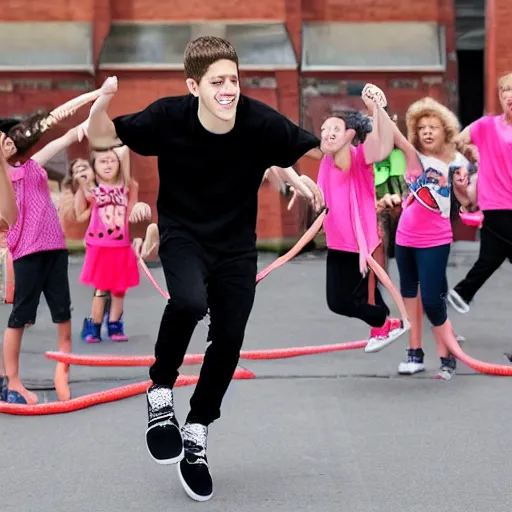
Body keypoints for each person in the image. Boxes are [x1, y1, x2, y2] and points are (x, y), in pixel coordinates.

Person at [85, 36, 323, 502]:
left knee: (229, 338)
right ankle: (159, 390)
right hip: (184, 235)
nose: (228, 89)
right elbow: (99, 136)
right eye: (217, 82)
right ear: (195, 86)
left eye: (233, 79)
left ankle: (197, 430)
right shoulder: (168, 117)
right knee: (190, 302)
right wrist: (103, 101)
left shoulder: (258, 121)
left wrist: (324, 172)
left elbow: (309, 149)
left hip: (236, 247)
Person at [0, 118, 88, 404]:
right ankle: (12, 381)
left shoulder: (33, 166)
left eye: (12, 138)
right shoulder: (3, 179)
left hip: (55, 250)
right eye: (4, 140)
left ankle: (62, 372)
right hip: (26, 253)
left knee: (63, 312)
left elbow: (60, 141)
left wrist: (91, 114)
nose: (9, 143)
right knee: (20, 317)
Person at [317, 88, 408, 354]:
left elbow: (382, 144)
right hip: (337, 244)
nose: (327, 133)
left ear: (350, 135)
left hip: (358, 246)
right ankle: (384, 324)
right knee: (337, 302)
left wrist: (377, 110)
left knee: (345, 301)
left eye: (335, 129)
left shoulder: (360, 159)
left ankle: (384, 322)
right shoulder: (326, 160)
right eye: (324, 129)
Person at [391, 97, 469, 379]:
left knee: (434, 300)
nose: (427, 131)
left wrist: (461, 188)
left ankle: (448, 358)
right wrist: (376, 107)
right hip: (404, 238)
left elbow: (467, 202)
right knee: (409, 294)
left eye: (433, 126)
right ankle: (415, 355)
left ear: (444, 130)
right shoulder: (413, 156)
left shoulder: (456, 162)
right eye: (422, 127)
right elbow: (395, 136)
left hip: (435, 240)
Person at [448, 72, 512, 317]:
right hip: (497, 203)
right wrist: (472, 152)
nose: (510, 96)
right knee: (490, 257)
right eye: (505, 91)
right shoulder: (486, 126)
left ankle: (463, 292)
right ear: (500, 96)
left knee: (490, 257)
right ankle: (463, 291)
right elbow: (457, 141)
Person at [75, 147, 141, 343]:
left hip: (121, 246)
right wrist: (82, 182)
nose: (108, 165)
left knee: (119, 289)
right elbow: (80, 210)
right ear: (94, 166)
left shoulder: (127, 187)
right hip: (100, 245)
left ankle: (115, 324)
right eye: (102, 161)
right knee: (101, 288)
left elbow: (134, 214)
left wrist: (138, 237)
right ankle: (93, 324)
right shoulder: (92, 188)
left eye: (112, 161)